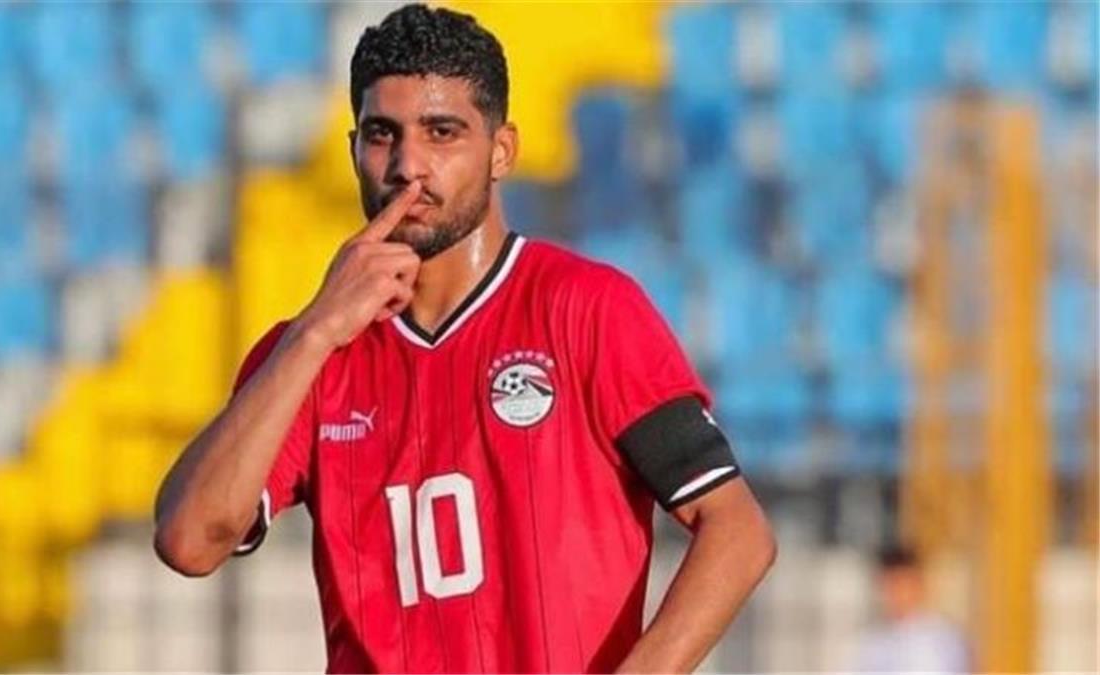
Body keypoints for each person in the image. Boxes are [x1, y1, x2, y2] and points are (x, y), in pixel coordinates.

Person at [153, 4, 775, 672]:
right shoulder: (311, 350)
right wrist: (313, 332)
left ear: (501, 150)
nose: (408, 165)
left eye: (441, 132)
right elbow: (191, 540)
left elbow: (737, 531)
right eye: (382, 134)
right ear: (354, 148)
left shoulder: (588, 309)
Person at [853, 545, 971, 674]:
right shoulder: (871, 641)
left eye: (901, 584)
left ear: (918, 584)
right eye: (889, 585)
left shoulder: (944, 639)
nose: (896, 594)